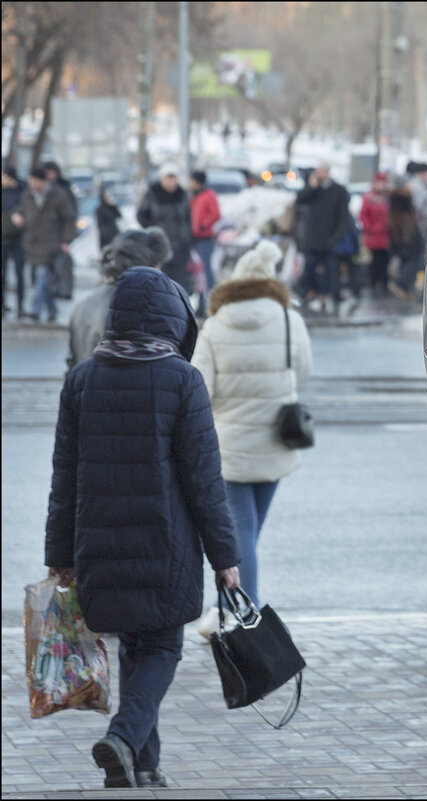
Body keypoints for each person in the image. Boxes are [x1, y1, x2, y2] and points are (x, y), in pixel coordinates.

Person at [44, 265, 241, 789]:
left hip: (98, 547)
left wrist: (58, 554)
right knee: (161, 647)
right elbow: (205, 481)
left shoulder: (82, 380)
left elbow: (64, 478)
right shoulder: (181, 380)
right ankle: (126, 739)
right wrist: (226, 558)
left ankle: (142, 765)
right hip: (165, 547)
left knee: (136, 646)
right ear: (175, 321)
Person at [191, 239, 311, 637]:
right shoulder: (289, 318)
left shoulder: (215, 325)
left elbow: (198, 389)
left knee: (241, 533)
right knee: (248, 532)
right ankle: (227, 608)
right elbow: (303, 371)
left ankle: (246, 615)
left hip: (230, 447)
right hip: (276, 440)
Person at [67, 227, 172, 370]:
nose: (160, 272)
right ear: (146, 266)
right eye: (157, 266)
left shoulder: (83, 306)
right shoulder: (134, 308)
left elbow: (72, 365)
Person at [11, 166, 77, 324]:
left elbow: (68, 219)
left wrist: (66, 241)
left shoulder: (57, 195)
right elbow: (21, 209)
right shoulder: (28, 195)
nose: (31, 184)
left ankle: (35, 310)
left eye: (33, 181)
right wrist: (17, 216)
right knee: (42, 280)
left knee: (42, 276)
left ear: (41, 181)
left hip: (51, 244)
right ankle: (52, 310)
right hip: (32, 243)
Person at [294, 163, 349, 314]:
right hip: (312, 237)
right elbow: (299, 200)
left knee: (330, 270)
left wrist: (337, 236)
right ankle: (312, 292)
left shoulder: (338, 190)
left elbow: (343, 216)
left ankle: (325, 295)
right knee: (310, 266)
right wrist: (312, 186)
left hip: (330, 237)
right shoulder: (313, 189)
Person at [136, 162, 193, 295]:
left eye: (174, 178)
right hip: (159, 247)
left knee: (180, 284)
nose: (171, 182)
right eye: (168, 178)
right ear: (162, 179)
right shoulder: (152, 194)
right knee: (161, 283)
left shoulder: (182, 195)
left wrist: (188, 239)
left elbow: (188, 219)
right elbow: (141, 216)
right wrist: (153, 233)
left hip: (180, 248)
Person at [188, 170, 221, 319]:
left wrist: (202, 225)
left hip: (205, 238)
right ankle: (201, 304)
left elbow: (215, 214)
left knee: (206, 272)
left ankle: (211, 302)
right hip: (194, 239)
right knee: (198, 273)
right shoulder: (193, 197)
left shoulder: (208, 196)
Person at [387, 182, 423, 301]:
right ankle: (400, 284)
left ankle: (404, 288)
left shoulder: (393, 201)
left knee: (405, 259)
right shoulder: (405, 201)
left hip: (398, 232)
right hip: (406, 232)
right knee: (413, 259)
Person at [359, 171, 391, 297]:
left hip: (386, 236)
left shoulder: (387, 198)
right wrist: (369, 228)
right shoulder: (369, 197)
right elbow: (363, 215)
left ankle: (383, 283)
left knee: (385, 261)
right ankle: (373, 283)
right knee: (375, 261)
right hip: (374, 235)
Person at [2, 165, 27, 318]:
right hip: (3, 239)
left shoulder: (23, 192)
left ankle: (20, 304)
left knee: (20, 274)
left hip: (19, 239)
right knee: (2, 274)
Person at [95, 187, 122, 251]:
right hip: (106, 238)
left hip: (115, 234)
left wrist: (113, 206)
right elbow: (100, 226)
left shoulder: (111, 207)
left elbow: (119, 216)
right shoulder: (100, 210)